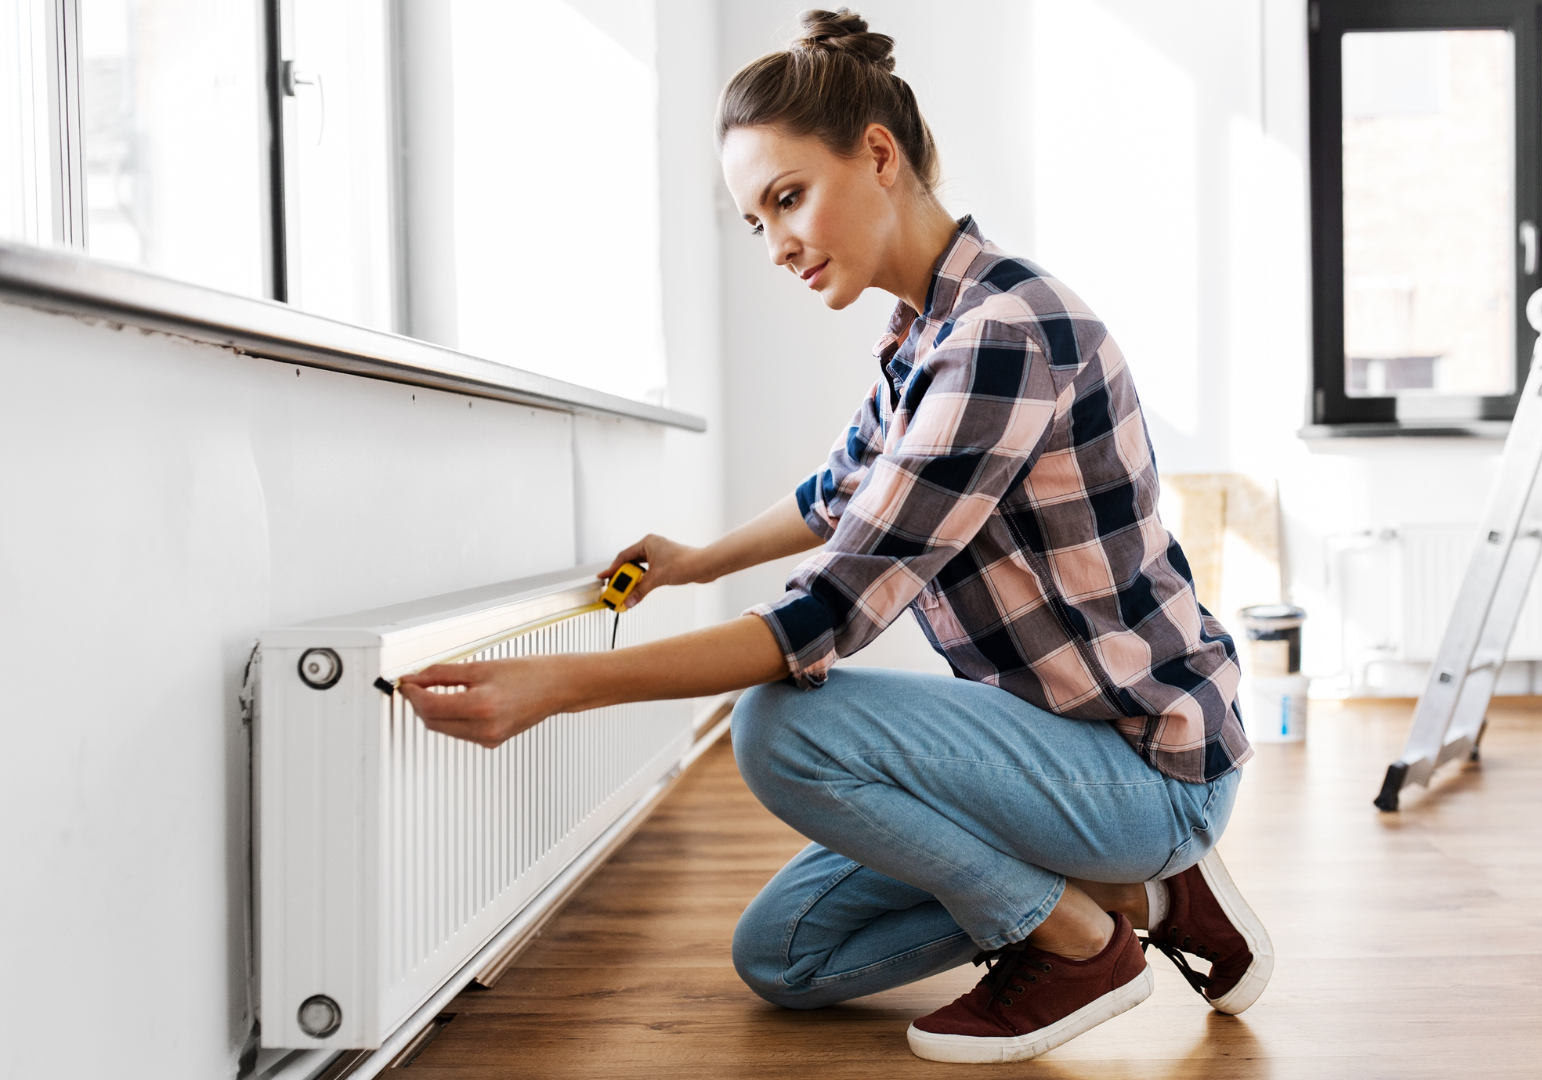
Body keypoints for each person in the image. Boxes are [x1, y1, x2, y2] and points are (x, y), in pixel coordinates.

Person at [398, 7, 1271, 1064]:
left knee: (780, 727)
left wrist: (560, 688)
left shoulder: (1000, 339)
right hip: (1055, 750)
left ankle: (1082, 940)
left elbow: (827, 614)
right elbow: (838, 493)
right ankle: (1150, 902)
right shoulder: (922, 335)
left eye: (787, 199)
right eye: (755, 222)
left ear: (878, 153)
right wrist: (692, 560)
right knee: (786, 959)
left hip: (1141, 764)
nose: (775, 245)